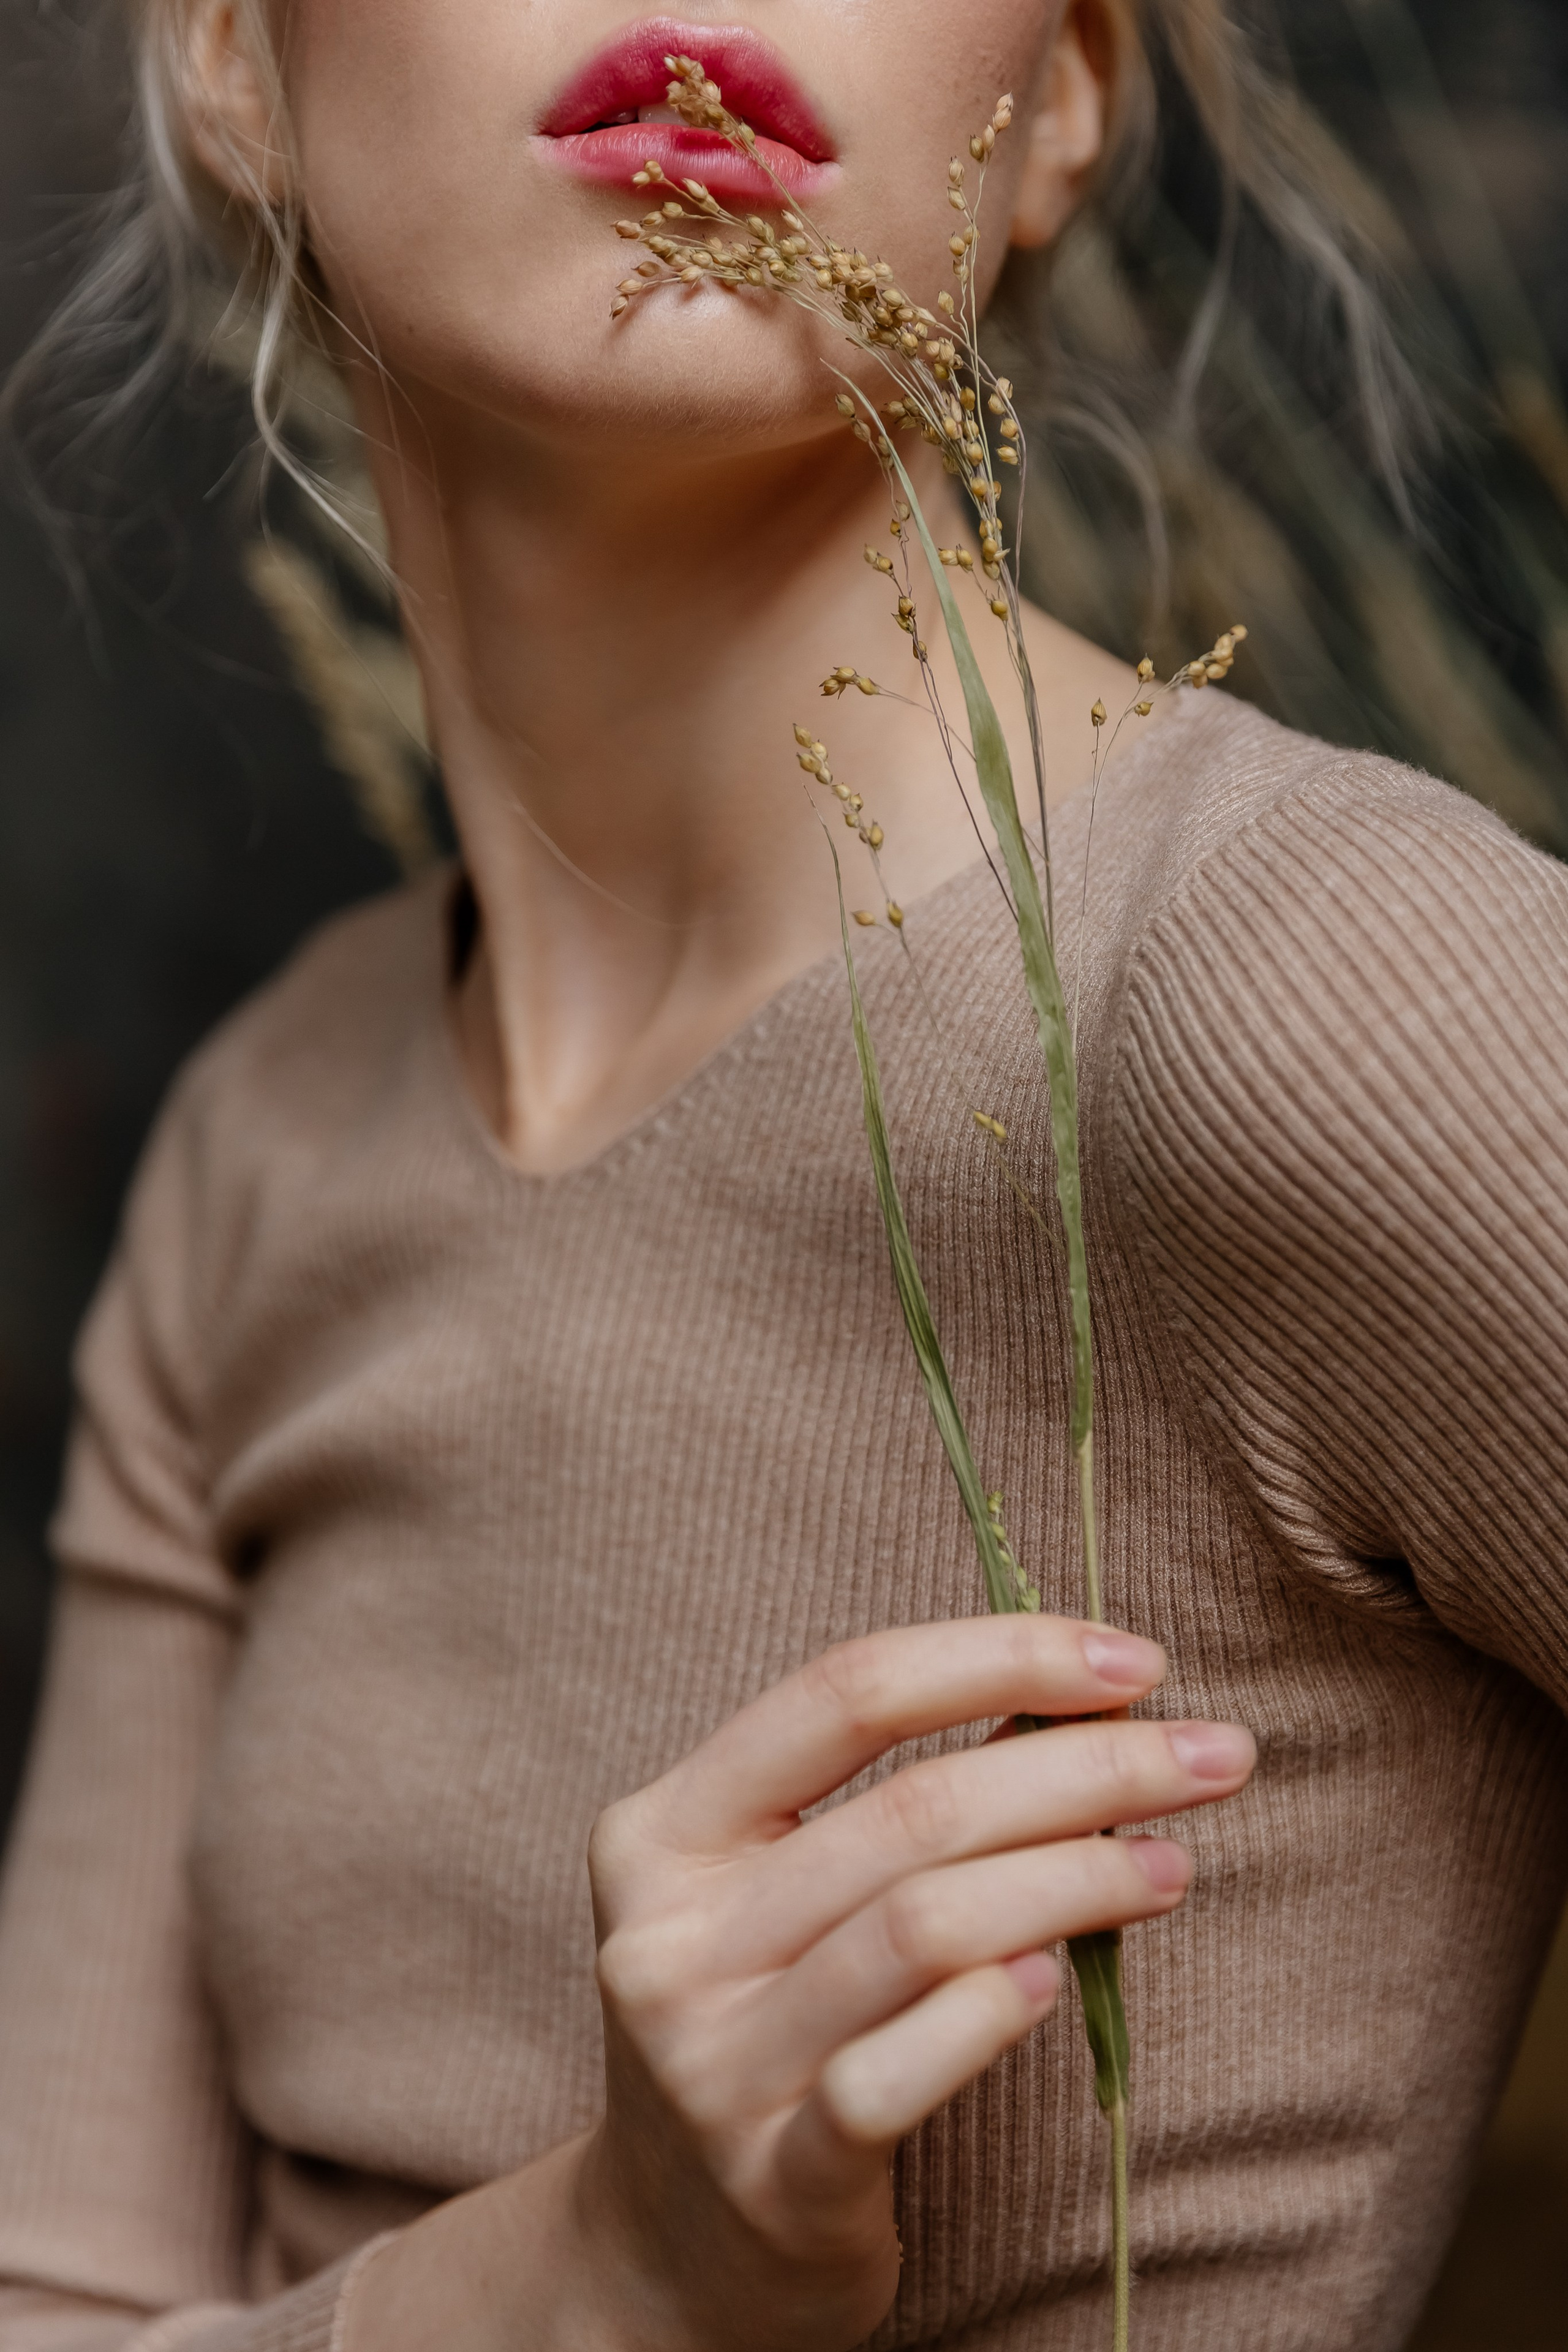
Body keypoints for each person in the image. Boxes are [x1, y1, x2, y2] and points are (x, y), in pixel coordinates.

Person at [1, 2, 1566, 2347]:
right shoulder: (269, 1138)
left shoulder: (1326, 992)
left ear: (1059, 106)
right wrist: (604, 2274)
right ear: (234, 61)